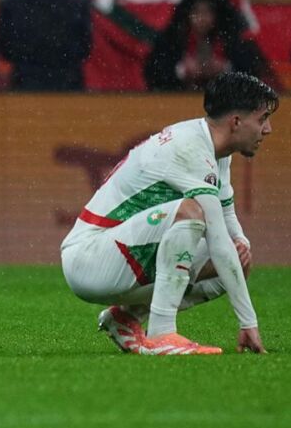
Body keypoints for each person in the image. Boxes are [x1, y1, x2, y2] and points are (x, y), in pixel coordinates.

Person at [61, 72, 278, 356]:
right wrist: (248, 322)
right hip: (89, 259)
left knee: (236, 258)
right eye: (262, 119)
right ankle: (162, 332)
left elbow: (227, 222)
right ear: (236, 122)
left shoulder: (215, 150)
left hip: (118, 254)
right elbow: (216, 236)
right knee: (192, 213)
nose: (268, 129)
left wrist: (241, 244)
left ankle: (126, 318)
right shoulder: (189, 148)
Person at [145, 0, 269, 91]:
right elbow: (154, 73)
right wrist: (181, 70)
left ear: (216, 14)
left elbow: (252, 70)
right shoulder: (174, 37)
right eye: (196, 12)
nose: (202, 18)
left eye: (208, 12)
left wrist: (225, 68)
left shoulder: (231, 33)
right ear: (187, 14)